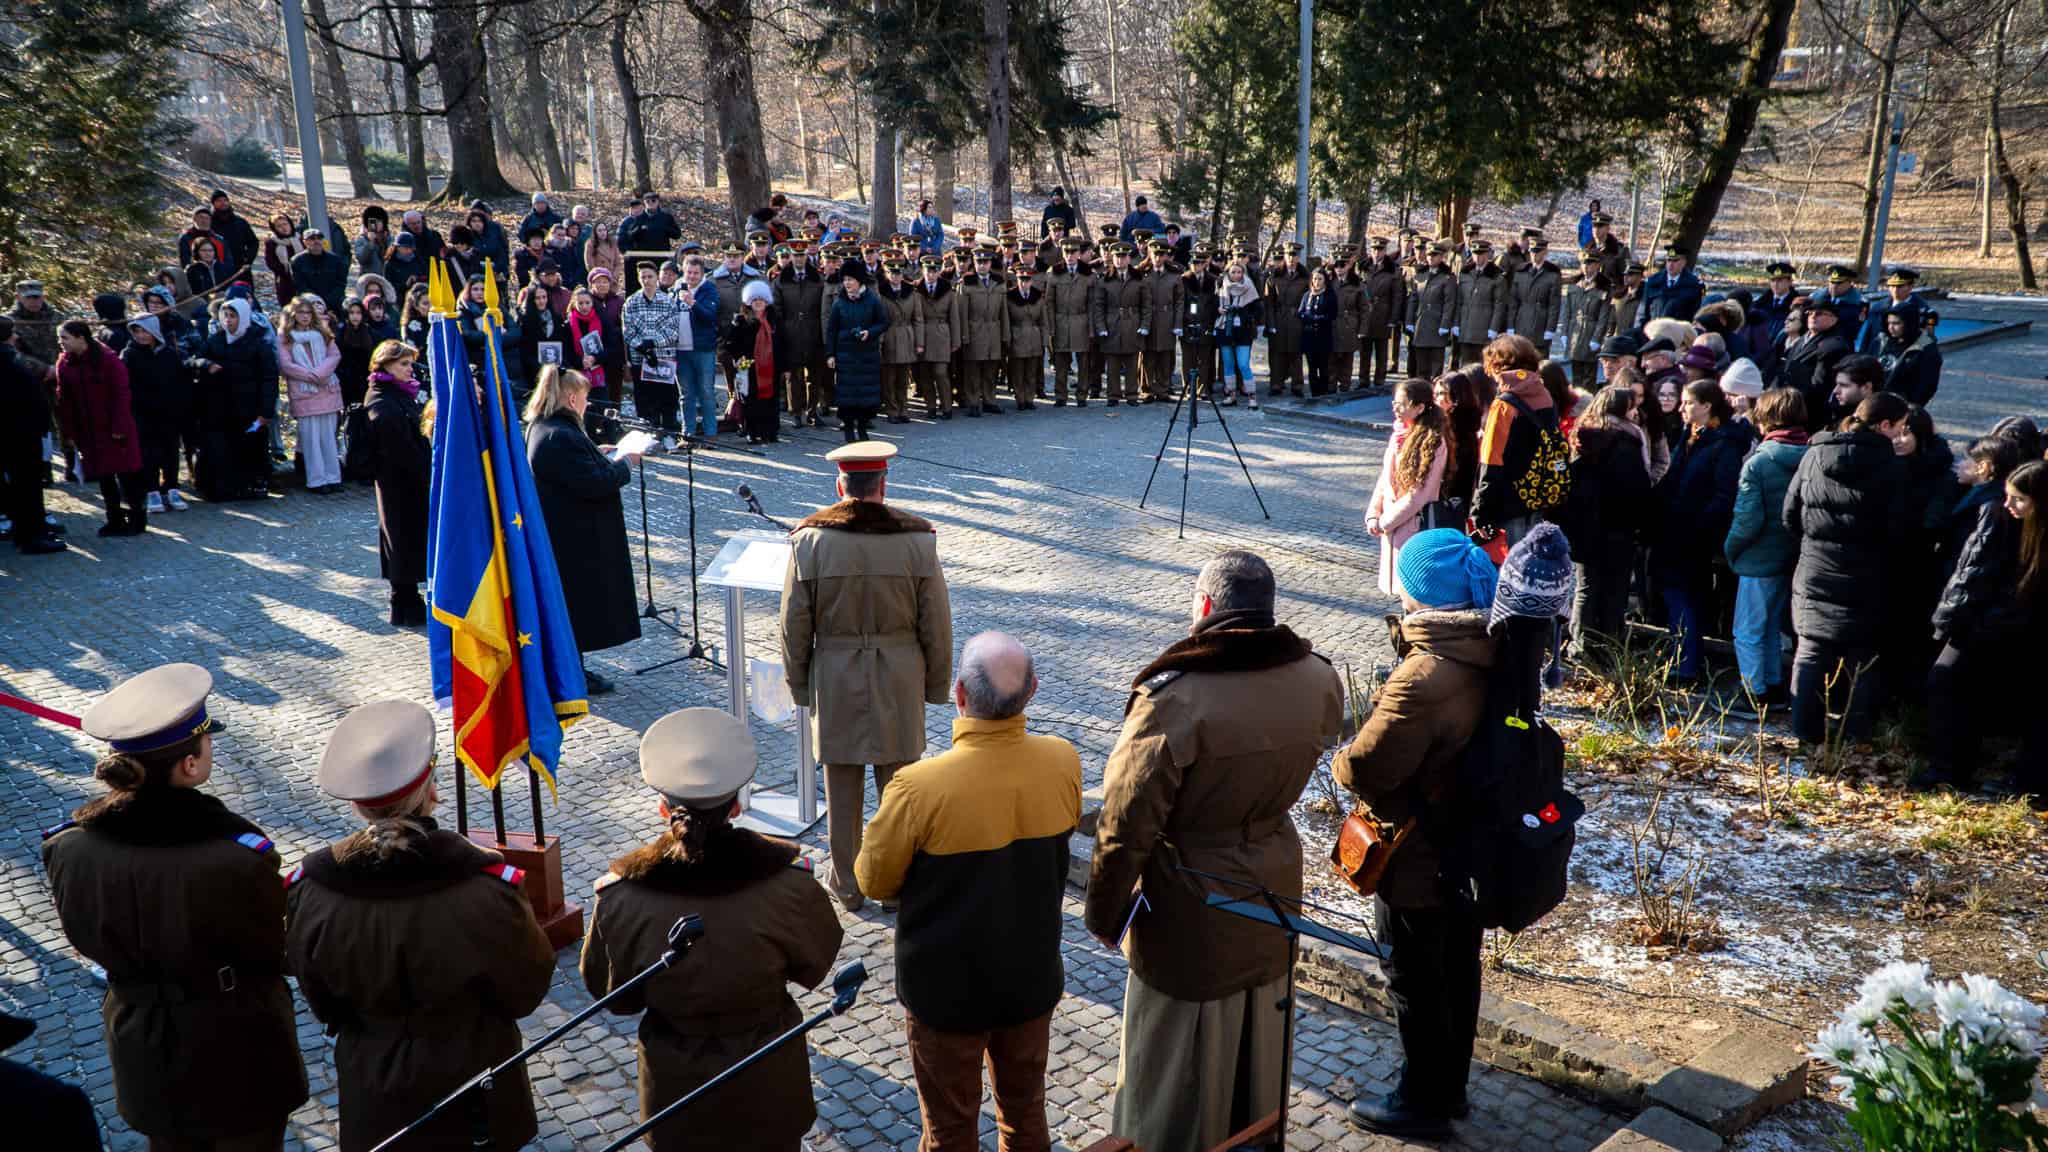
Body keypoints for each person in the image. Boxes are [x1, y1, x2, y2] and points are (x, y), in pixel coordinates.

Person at [1085, 550, 1342, 1152]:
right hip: (1275, 885)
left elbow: (1124, 829)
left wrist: (1105, 916)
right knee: (1260, 1049)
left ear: (1203, 608)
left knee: (1173, 1080)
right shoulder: (1318, 678)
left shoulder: (1173, 700)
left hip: (1190, 906)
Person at [42, 663, 309, 1151]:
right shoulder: (234, 856)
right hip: (235, 1043)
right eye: (207, 743)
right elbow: (274, 948)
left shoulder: (66, 847)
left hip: (139, 1034)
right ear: (189, 765)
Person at [285, 700, 555, 1152]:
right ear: (432, 790)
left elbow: (321, 997)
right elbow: (525, 987)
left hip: (374, 1081)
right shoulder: (486, 888)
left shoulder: (311, 891)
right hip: (475, 1076)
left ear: (356, 804)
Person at [579, 706, 845, 1152]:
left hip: (675, 1091)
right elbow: (816, 962)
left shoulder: (620, 897)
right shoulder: (788, 883)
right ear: (738, 806)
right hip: (768, 1082)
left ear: (662, 808)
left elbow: (613, 994)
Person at [854, 632, 1081, 1151]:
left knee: (951, 1129)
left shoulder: (917, 787)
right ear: (1034, 691)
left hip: (944, 993)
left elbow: (874, 880)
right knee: (1025, 1115)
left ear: (958, 694)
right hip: (1029, 979)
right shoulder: (1062, 760)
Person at [1331, 529, 1502, 1138]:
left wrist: (1340, 759)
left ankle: (1423, 1102)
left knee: (1415, 975)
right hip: (1467, 845)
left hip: (1419, 856)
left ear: (1423, 593)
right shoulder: (1491, 648)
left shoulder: (1424, 676)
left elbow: (1370, 768)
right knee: (1459, 966)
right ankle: (1449, 1087)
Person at [780, 442, 953, 909]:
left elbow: (794, 625)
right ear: (884, 484)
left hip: (834, 674)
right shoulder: (918, 541)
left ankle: (848, 885)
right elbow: (935, 621)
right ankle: (895, 885)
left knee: (841, 786)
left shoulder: (809, 542)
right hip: (899, 673)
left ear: (840, 486)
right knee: (900, 788)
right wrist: (936, 685)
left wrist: (799, 685)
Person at [1783, 392, 1909, 745]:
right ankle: (1855, 738)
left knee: (1809, 652)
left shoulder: (1815, 454)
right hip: (1869, 576)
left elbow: (1790, 514)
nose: (1900, 435)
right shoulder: (1892, 468)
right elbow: (1898, 528)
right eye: (1899, 427)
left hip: (1815, 569)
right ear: (1884, 425)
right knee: (1861, 658)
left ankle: (1803, 734)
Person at [1922, 461, 2045, 799]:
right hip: (1992, 626)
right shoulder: (2006, 522)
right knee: (1946, 680)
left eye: (2018, 499)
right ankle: (1951, 769)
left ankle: (2026, 784)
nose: (2009, 505)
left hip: (2011, 630)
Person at [524, 366, 642, 693]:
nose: (587, 404)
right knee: (575, 609)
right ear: (572, 397)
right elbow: (596, 483)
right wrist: (627, 462)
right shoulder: (558, 435)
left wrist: (599, 453)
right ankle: (571, 674)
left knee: (571, 608)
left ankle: (572, 668)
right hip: (574, 539)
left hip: (566, 531)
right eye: (586, 397)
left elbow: (578, 465)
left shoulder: (544, 426)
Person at [1657, 380, 1749, 685]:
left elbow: (1724, 495)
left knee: (1682, 595)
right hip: (1674, 530)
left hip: (1693, 535)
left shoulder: (1724, 443)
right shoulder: (1689, 436)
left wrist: (1696, 525)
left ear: (1707, 405)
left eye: (1688, 402)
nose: (1682, 408)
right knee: (1678, 594)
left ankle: (1684, 665)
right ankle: (1683, 660)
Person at [1723, 388, 1808, 707]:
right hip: (1792, 556)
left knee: (1746, 630)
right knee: (1772, 627)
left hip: (1758, 557)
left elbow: (1747, 519)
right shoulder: (1811, 453)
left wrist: (1732, 549)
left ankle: (1752, 692)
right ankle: (1772, 685)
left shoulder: (1759, 462)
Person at [1558, 384, 1652, 660]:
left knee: (1586, 587)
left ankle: (1580, 645)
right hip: (1618, 528)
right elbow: (1638, 489)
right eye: (1632, 408)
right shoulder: (1630, 443)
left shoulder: (1582, 437)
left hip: (1585, 528)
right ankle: (1609, 646)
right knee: (1616, 589)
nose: (1636, 413)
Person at [1471, 335, 1563, 552]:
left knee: (1514, 564)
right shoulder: (1544, 394)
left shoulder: (1504, 404)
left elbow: (1491, 460)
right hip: (1539, 490)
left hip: (1510, 497)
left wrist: (1479, 510)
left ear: (1496, 366)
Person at [57, 319, 148, 535]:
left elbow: (121, 395)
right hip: (89, 431)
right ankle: (114, 518)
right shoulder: (65, 362)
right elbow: (64, 400)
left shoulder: (108, 360)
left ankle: (137, 518)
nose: (61, 343)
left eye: (65, 338)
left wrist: (118, 426)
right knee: (104, 476)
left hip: (115, 429)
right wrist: (68, 433)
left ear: (81, 338)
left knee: (127, 475)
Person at [362, 340, 431, 626]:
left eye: (410, 363)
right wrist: (425, 470)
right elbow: (397, 446)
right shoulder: (382, 399)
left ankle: (408, 599)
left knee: (408, 537)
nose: (409, 369)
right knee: (400, 538)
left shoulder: (398, 394)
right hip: (398, 483)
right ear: (385, 365)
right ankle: (403, 601)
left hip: (408, 480)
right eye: (403, 363)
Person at [1368, 378, 1453, 598]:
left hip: (1414, 526)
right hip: (1393, 525)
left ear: (1419, 408)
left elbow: (1420, 494)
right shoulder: (1398, 435)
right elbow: (1385, 478)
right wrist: (1373, 513)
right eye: (1394, 403)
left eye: (1402, 404)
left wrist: (1385, 521)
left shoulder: (1433, 442)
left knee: (1413, 593)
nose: (1395, 408)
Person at [194, 299, 278, 502]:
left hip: (249, 407)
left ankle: (253, 484)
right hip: (221, 408)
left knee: (251, 447)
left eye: (233, 316)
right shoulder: (215, 340)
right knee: (222, 449)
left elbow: (269, 378)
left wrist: (266, 410)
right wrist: (207, 364)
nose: (228, 321)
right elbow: (194, 359)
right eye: (226, 316)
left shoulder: (259, 343)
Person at [1, 316, 64, 553]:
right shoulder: (10, 360)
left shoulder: (10, 358)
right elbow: (25, 394)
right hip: (20, 432)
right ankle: (31, 536)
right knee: (26, 485)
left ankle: (25, 531)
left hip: (14, 430)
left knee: (19, 485)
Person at [276, 295, 346, 495]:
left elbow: (334, 355)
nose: (305, 316)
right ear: (293, 314)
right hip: (304, 391)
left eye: (308, 312)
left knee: (328, 436)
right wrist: (310, 375)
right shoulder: (285, 336)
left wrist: (320, 373)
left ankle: (333, 477)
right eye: (300, 312)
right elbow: (286, 364)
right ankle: (316, 480)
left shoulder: (322, 333)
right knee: (311, 438)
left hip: (327, 388)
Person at [824, 264, 890, 440]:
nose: (846, 283)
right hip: (845, 355)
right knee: (846, 395)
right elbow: (831, 329)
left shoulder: (872, 299)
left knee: (865, 394)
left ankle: (862, 427)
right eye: (844, 280)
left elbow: (883, 322)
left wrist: (870, 332)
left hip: (866, 355)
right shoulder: (840, 302)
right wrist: (830, 354)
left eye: (850, 279)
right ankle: (848, 429)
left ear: (859, 280)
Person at [1780, 299, 1853, 431]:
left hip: (1809, 411)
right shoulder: (1801, 340)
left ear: (1833, 319)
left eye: (1819, 313)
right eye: (1810, 313)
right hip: (1788, 404)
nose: (1813, 316)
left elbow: (1819, 386)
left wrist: (1790, 400)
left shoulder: (1833, 345)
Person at [724, 280, 783, 443]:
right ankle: (752, 431)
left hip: (771, 367)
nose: (758, 302)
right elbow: (729, 343)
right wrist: (738, 357)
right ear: (749, 301)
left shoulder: (774, 320)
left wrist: (784, 365)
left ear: (766, 301)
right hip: (750, 367)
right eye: (755, 299)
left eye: (761, 299)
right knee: (752, 401)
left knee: (771, 401)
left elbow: (783, 342)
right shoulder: (741, 320)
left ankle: (770, 432)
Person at [1093, 243, 1148, 407]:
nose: (1120, 260)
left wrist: (1145, 324)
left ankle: (1132, 394)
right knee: (1113, 364)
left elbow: (1146, 305)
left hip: (1132, 323)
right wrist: (1101, 327)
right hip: (1112, 323)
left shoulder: (1138, 279)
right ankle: (1113, 394)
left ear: (1129, 259)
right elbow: (1098, 306)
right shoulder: (1105, 280)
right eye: (1117, 257)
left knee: (1132, 362)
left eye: (1123, 257)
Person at [956, 249, 1008, 416]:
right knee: (973, 370)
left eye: (985, 262)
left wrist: (1005, 334)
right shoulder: (966, 283)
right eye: (979, 262)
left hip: (993, 331)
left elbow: (1004, 312)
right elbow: (962, 313)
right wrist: (963, 335)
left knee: (991, 369)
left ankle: (989, 400)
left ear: (990, 264)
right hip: (974, 331)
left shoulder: (998, 282)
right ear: (974, 263)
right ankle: (972, 402)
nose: (982, 266)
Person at [1263, 243, 1311, 397]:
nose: (1291, 258)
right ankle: (1276, 384)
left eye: (1295, 255)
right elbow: (1268, 303)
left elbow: (1309, 298)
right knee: (1277, 353)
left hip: (1296, 317)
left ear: (1298, 257)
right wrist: (1270, 323)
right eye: (1289, 255)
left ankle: (1297, 385)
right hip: (1278, 317)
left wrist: (1304, 319)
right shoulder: (1274, 276)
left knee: (1295, 353)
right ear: (1284, 256)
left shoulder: (1305, 276)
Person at [1406, 243, 1458, 382]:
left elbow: (1449, 303)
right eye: (1429, 255)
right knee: (1421, 367)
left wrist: (1445, 324)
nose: (1431, 258)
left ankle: (1436, 396)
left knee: (1436, 369)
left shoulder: (1447, 278)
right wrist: (1409, 321)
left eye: (1434, 255)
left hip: (1437, 325)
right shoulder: (1420, 276)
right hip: (1421, 324)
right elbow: (1413, 300)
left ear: (1441, 257)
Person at [1216, 259, 1264, 408]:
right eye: (1233, 272)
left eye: (1239, 272)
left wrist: (1245, 314)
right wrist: (1218, 310)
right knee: (1228, 364)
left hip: (1243, 330)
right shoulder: (1221, 285)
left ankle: (1252, 396)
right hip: (1225, 328)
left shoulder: (1249, 286)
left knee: (1243, 364)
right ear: (1228, 273)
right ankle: (1230, 395)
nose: (1236, 275)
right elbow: (1212, 304)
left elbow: (1258, 309)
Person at [1509, 237, 1562, 356]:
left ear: (1545, 253)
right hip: (1521, 323)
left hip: (1540, 325)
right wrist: (1510, 325)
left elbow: (1554, 305)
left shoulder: (1552, 274)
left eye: (1538, 252)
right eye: (1532, 251)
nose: (1534, 255)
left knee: (1539, 363)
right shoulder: (1521, 271)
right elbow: (1514, 302)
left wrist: (1550, 329)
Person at [1005, 266, 1048, 413]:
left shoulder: (1038, 296)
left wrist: (1044, 340)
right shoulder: (1010, 296)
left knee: (1031, 371)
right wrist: (1007, 339)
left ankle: (1029, 398)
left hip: (1034, 337)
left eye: (1027, 280)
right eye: (1021, 279)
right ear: (1017, 280)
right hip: (1016, 336)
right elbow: (1006, 320)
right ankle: (1020, 399)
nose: (1024, 283)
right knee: (1018, 372)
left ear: (1032, 280)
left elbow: (1043, 320)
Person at [1878, 307, 1941, 406]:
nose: (1891, 327)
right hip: (1875, 401)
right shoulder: (1882, 341)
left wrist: (1909, 407)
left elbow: (1927, 386)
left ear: (1909, 324)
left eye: (1896, 323)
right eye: (1889, 323)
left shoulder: (1926, 349)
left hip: (1902, 406)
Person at [1296, 265, 1340, 397]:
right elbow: (1300, 312)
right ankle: (1314, 392)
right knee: (1312, 367)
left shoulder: (1329, 296)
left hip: (1323, 336)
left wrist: (1316, 318)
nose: (1317, 282)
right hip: (1309, 336)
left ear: (1325, 280)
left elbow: (1332, 315)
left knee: (1323, 367)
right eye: (1315, 279)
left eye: (1320, 279)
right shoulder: (1307, 295)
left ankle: (1324, 391)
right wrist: (1306, 317)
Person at [291, 229, 349, 315]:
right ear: (305, 242)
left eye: (319, 238)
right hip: (309, 305)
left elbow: (341, 284)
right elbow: (300, 286)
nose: (316, 241)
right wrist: (316, 302)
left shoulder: (335, 260)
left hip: (333, 305)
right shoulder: (297, 261)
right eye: (312, 239)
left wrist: (326, 302)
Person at [1642, 244, 1703, 322]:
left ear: (1684, 262)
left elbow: (1695, 315)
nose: (1671, 264)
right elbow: (1644, 312)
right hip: (1654, 330)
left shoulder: (1694, 285)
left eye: (1675, 260)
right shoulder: (1653, 281)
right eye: (1669, 260)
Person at [261, 214, 304, 307]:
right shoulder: (272, 242)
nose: (284, 228)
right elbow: (270, 262)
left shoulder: (300, 238)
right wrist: (286, 270)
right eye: (279, 226)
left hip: (304, 278)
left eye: (285, 224)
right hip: (285, 280)